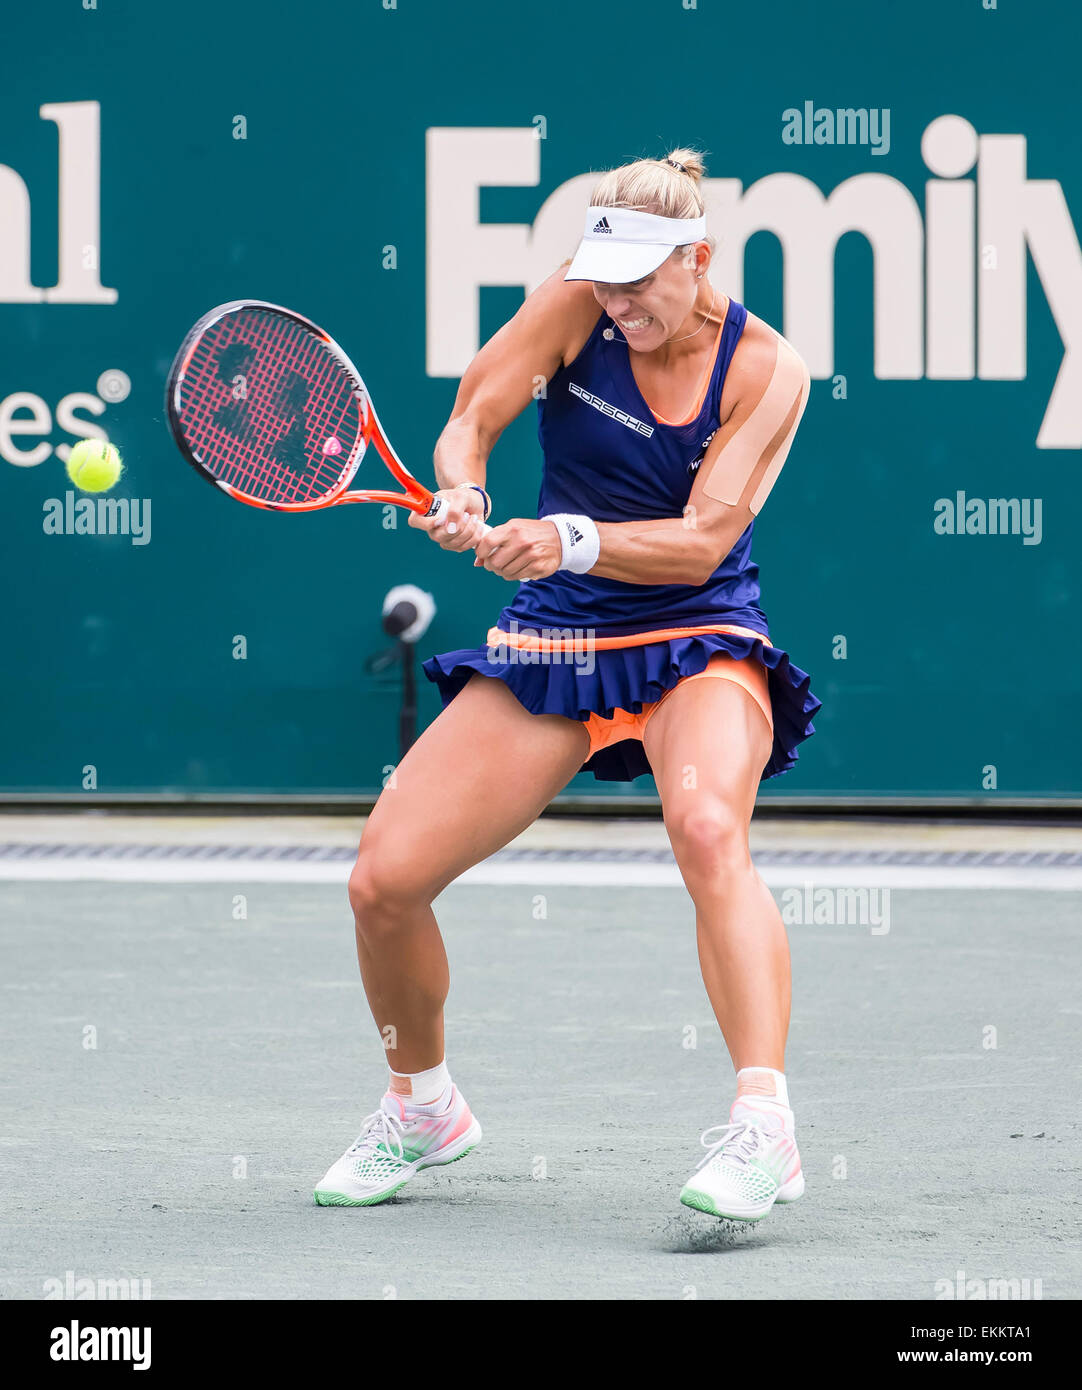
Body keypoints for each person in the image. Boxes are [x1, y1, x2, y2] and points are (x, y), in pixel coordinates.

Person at [314, 149, 820, 1222]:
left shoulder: (766, 368)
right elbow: (472, 414)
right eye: (604, 276)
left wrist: (566, 537)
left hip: (695, 630)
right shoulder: (576, 304)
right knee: (381, 883)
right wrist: (461, 490)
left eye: (642, 279)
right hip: (556, 636)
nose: (619, 300)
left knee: (704, 829)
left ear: (699, 258)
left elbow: (698, 542)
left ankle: (763, 1127)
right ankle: (422, 1103)